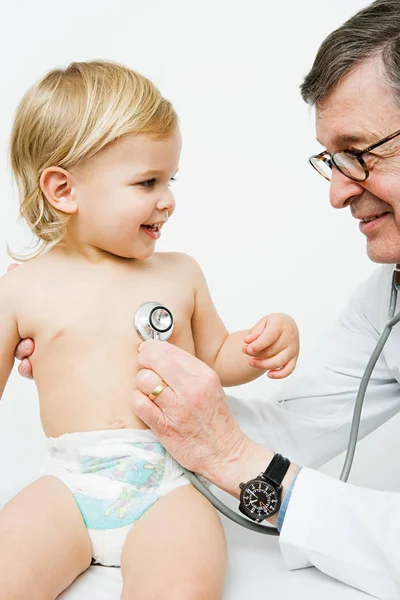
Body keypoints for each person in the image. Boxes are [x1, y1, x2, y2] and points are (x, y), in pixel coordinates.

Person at [0, 60, 300, 599]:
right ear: (63, 190)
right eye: (147, 182)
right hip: (68, 486)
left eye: (170, 179)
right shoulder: (23, 289)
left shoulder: (179, 273)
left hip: (169, 487)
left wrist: (258, 348)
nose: (168, 199)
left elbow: (216, 360)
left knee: (179, 589)